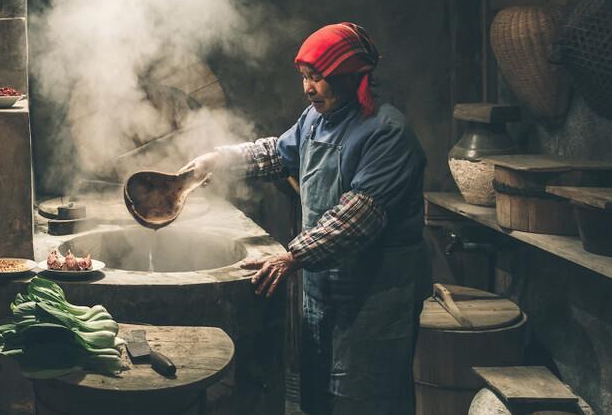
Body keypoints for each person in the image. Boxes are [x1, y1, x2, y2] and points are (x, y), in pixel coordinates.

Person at [182, 22, 429, 415]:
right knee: (319, 397)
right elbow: (278, 153)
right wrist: (220, 159)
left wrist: (290, 256)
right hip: (321, 289)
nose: (308, 88)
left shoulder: (387, 133)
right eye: (304, 77)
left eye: (318, 78)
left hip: (374, 297)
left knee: (363, 400)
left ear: (351, 78)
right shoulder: (316, 118)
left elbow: (357, 217)